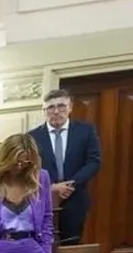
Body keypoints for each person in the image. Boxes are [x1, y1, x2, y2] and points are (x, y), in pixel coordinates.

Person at [29, 88, 102, 244]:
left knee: (71, 244)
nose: (56, 111)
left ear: (70, 108)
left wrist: (69, 185)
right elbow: (28, 168)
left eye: (61, 106)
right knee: (43, 243)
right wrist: (52, 187)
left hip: (74, 197)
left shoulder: (85, 131)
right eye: (50, 107)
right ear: (44, 110)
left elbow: (94, 161)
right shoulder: (32, 137)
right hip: (43, 198)